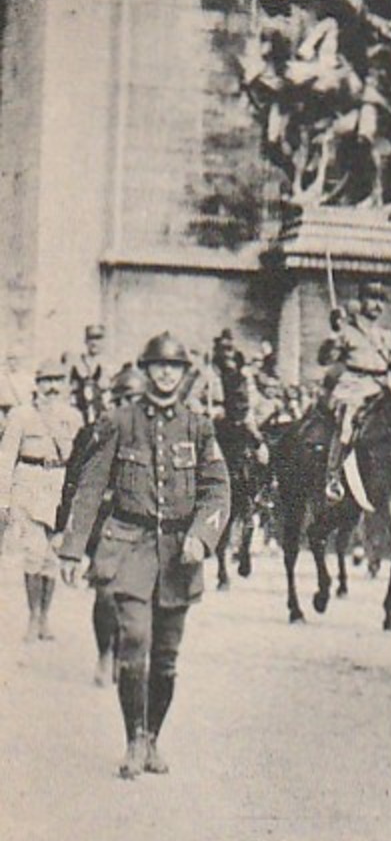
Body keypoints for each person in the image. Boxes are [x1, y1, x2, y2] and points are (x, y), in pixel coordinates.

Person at [57, 332, 232, 778]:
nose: (166, 373)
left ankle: (153, 738)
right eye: (158, 366)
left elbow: (217, 490)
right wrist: (73, 550)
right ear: (146, 370)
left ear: (183, 373)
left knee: (168, 656)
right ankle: (133, 739)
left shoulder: (198, 426)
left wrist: (201, 537)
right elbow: (91, 487)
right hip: (128, 547)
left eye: (174, 367)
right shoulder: (118, 421)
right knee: (135, 641)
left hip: (179, 556)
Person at [59, 364, 148, 685]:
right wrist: (68, 536)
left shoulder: (155, 435)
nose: (129, 406)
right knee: (106, 595)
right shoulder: (95, 432)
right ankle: (105, 653)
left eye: (136, 399)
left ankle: (129, 654)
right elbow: (75, 485)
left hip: (143, 530)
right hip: (105, 525)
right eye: (123, 399)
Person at [0, 359, 84, 641]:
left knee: (52, 555)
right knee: (34, 552)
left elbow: (79, 460)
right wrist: (3, 500)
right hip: (29, 482)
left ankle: (45, 617)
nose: (51, 387)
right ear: (37, 384)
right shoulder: (22, 415)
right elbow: (6, 458)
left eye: (57, 381)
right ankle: (33, 615)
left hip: (58, 484)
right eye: (46, 381)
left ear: (65, 385)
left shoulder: (73, 417)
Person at [323, 281, 391, 500]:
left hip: (382, 386)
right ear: (361, 301)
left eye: (381, 300)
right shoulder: (346, 330)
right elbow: (325, 359)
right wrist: (334, 334)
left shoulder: (386, 335)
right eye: (372, 298)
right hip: (354, 386)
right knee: (346, 423)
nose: (377, 305)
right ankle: (333, 477)